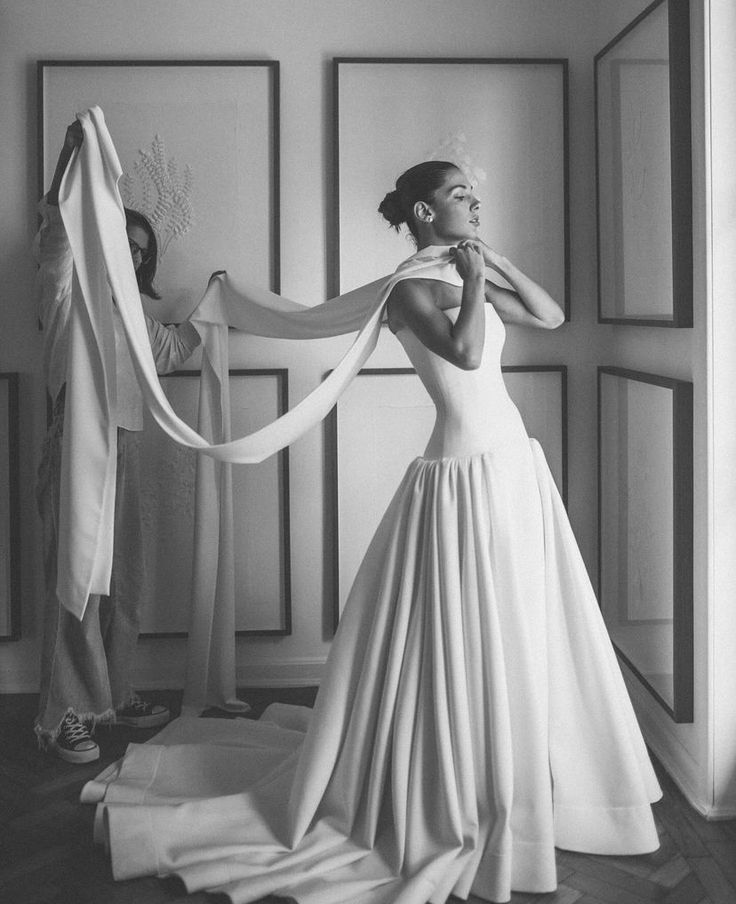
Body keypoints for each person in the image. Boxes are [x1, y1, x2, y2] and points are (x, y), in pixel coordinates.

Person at [85, 159, 662, 904]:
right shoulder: (408, 289)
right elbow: (465, 353)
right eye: (459, 195)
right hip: (462, 473)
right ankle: (461, 792)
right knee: (468, 629)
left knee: (515, 626)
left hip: (512, 467)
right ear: (423, 211)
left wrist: (492, 262)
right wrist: (476, 280)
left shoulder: (453, 272)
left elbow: (550, 316)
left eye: (471, 193)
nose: (473, 201)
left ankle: (513, 781)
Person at [34, 120, 203, 764]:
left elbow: (172, 348)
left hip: (127, 450)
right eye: (120, 242)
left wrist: (217, 301)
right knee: (76, 581)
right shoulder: (66, 293)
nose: (131, 255)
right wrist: (69, 157)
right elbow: (57, 233)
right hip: (74, 446)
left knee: (123, 580)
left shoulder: (135, 317)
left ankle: (113, 693)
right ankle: (66, 712)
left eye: (140, 250)